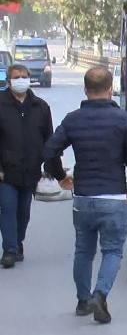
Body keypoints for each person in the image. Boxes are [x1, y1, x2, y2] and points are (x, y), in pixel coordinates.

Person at [44, 67, 127, 323]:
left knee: (83, 251)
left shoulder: (73, 120)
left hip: (84, 197)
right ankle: (100, 294)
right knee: (112, 250)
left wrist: (60, 176)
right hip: (114, 196)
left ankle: (82, 300)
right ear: (111, 89)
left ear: (85, 90)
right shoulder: (124, 120)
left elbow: (49, 150)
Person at [0, 64, 64, 268]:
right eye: (16, 77)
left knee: (23, 211)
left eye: (24, 76)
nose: (21, 80)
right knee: (8, 207)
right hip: (6, 171)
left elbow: (50, 141)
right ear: (9, 82)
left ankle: (17, 242)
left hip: (31, 170)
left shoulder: (41, 107)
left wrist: (55, 170)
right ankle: (9, 249)